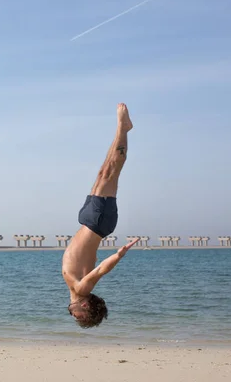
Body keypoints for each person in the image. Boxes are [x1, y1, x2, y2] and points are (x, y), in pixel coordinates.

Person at [61, 102, 139, 328]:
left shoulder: (74, 287)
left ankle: (122, 129)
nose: (72, 315)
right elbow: (101, 270)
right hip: (97, 222)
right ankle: (123, 128)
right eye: (78, 317)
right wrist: (119, 255)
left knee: (104, 170)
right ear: (85, 307)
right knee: (111, 171)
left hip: (90, 221)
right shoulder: (82, 289)